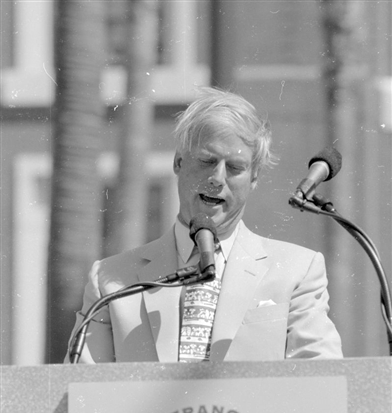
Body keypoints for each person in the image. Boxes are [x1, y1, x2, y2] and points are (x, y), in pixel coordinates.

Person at [66, 87, 342, 363]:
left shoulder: (297, 272)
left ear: (254, 178)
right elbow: (81, 392)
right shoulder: (111, 281)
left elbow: (322, 380)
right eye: (207, 161)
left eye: (235, 167)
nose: (217, 178)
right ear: (178, 162)